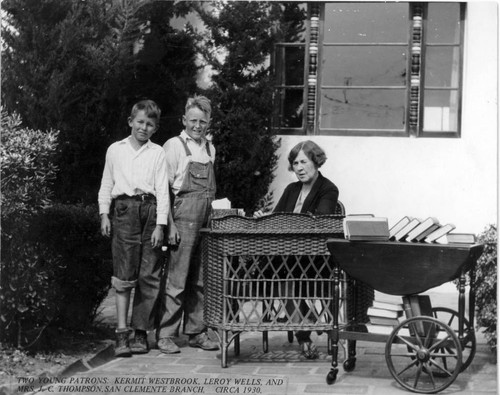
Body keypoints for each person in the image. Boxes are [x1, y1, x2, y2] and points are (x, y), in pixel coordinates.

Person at [254, 140, 339, 359]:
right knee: (269, 272)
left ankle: (304, 330)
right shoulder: (291, 189)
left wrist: (285, 222)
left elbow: (319, 223)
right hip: (288, 258)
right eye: (295, 162)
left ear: (316, 161)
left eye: (303, 161)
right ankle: (305, 325)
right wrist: (264, 219)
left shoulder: (328, 189)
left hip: (315, 259)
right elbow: (277, 218)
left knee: (281, 273)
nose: (299, 167)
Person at [98, 99, 170, 357]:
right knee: (124, 274)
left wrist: (161, 224)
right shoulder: (115, 150)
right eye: (140, 122)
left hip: (150, 212)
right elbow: (107, 183)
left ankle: (141, 332)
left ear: (155, 128)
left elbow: (163, 191)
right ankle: (121, 335)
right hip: (124, 211)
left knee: (149, 274)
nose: (144, 127)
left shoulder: (157, 153)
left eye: (149, 124)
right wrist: (104, 214)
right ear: (130, 122)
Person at [156, 95, 219, 354]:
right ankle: (166, 335)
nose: (197, 125)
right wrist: (169, 225)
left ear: (209, 123)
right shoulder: (173, 146)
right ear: (184, 120)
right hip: (182, 217)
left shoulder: (210, 149)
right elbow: (163, 190)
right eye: (192, 120)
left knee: (201, 279)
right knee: (177, 279)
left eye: (202, 121)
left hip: (206, 219)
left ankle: (196, 332)